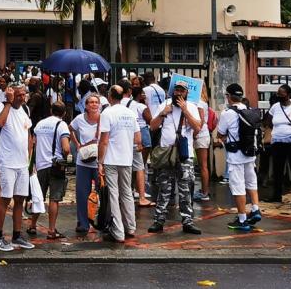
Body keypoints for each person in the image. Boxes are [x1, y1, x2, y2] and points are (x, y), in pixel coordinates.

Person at [148, 81, 203, 235]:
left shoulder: (191, 106)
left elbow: (197, 128)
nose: (179, 93)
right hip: (166, 153)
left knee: (185, 189)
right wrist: (162, 113)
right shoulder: (164, 105)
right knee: (164, 188)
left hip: (184, 155)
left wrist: (185, 110)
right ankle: (159, 220)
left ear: (186, 93)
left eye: (182, 91)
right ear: (173, 91)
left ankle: (187, 221)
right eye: (177, 90)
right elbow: (152, 126)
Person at [0, 82, 34, 251]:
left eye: (24, 94)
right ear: (10, 94)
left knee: (19, 199)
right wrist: (8, 102)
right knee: (5, 199)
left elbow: (29, 135)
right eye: (18, 95)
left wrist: (30, 161)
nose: (22, 98)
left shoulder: (25, 110)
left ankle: (17, 235)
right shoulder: (2, 106)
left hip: (22, 163)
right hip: (7, 162)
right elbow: (0, 123)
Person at [217, 83, 263, 232]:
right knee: (251, 181)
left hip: (236, 155)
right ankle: (255, 209)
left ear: (229, 97)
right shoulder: (250, 110)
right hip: (250, 154)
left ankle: (242, 219)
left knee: (238, 187)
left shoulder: (227, 113)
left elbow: (221, 134)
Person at [98, 84, 140, 242]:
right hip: (126, 158)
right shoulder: (130, 113)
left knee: (114, 194)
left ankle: (118, 231)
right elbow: (138, 139)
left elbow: (104, 141)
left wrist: (100, 161)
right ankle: (131, 227)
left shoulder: (107, 113)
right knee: (127, 192)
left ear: (110, 96)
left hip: (111, 159)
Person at [29, 102, 71, 239]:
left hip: (41, 165)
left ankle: (32, 225)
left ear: (51, 110)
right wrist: (67, 156)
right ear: (64, 113)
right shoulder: (62, 125)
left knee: (38, 197)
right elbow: (65, 148)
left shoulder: (40, 124)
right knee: (54, 198)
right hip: (56, 166)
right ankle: (52, 230)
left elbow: (33, 143)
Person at [264, 84, 291, 206]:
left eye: (282, 93)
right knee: (277, 170)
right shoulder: (275, 107)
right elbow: (268, 122)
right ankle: (277, 196)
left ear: (289, 94)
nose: (279, 95)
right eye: (278, 93)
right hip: (277, 142)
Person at [71, 92, 102, 234]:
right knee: (82, 194)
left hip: (99, 162)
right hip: (83, 162)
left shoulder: (104, 119)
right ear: (86, 105)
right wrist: (77, 144)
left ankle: (102, 221)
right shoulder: (79, 119)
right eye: (91, 102)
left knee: (103, 193)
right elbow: (70, 129)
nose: (94, 104)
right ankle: (83, 223)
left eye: (96, 102)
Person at [193, 84, 213, 202]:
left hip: (200, 135)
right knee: (203, 165)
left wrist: (194, 135)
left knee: (203, 166)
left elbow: (200, 122)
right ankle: (205, 190)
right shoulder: (204, 102)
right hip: (203, 134)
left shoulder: (199, 103)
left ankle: (205, 192)